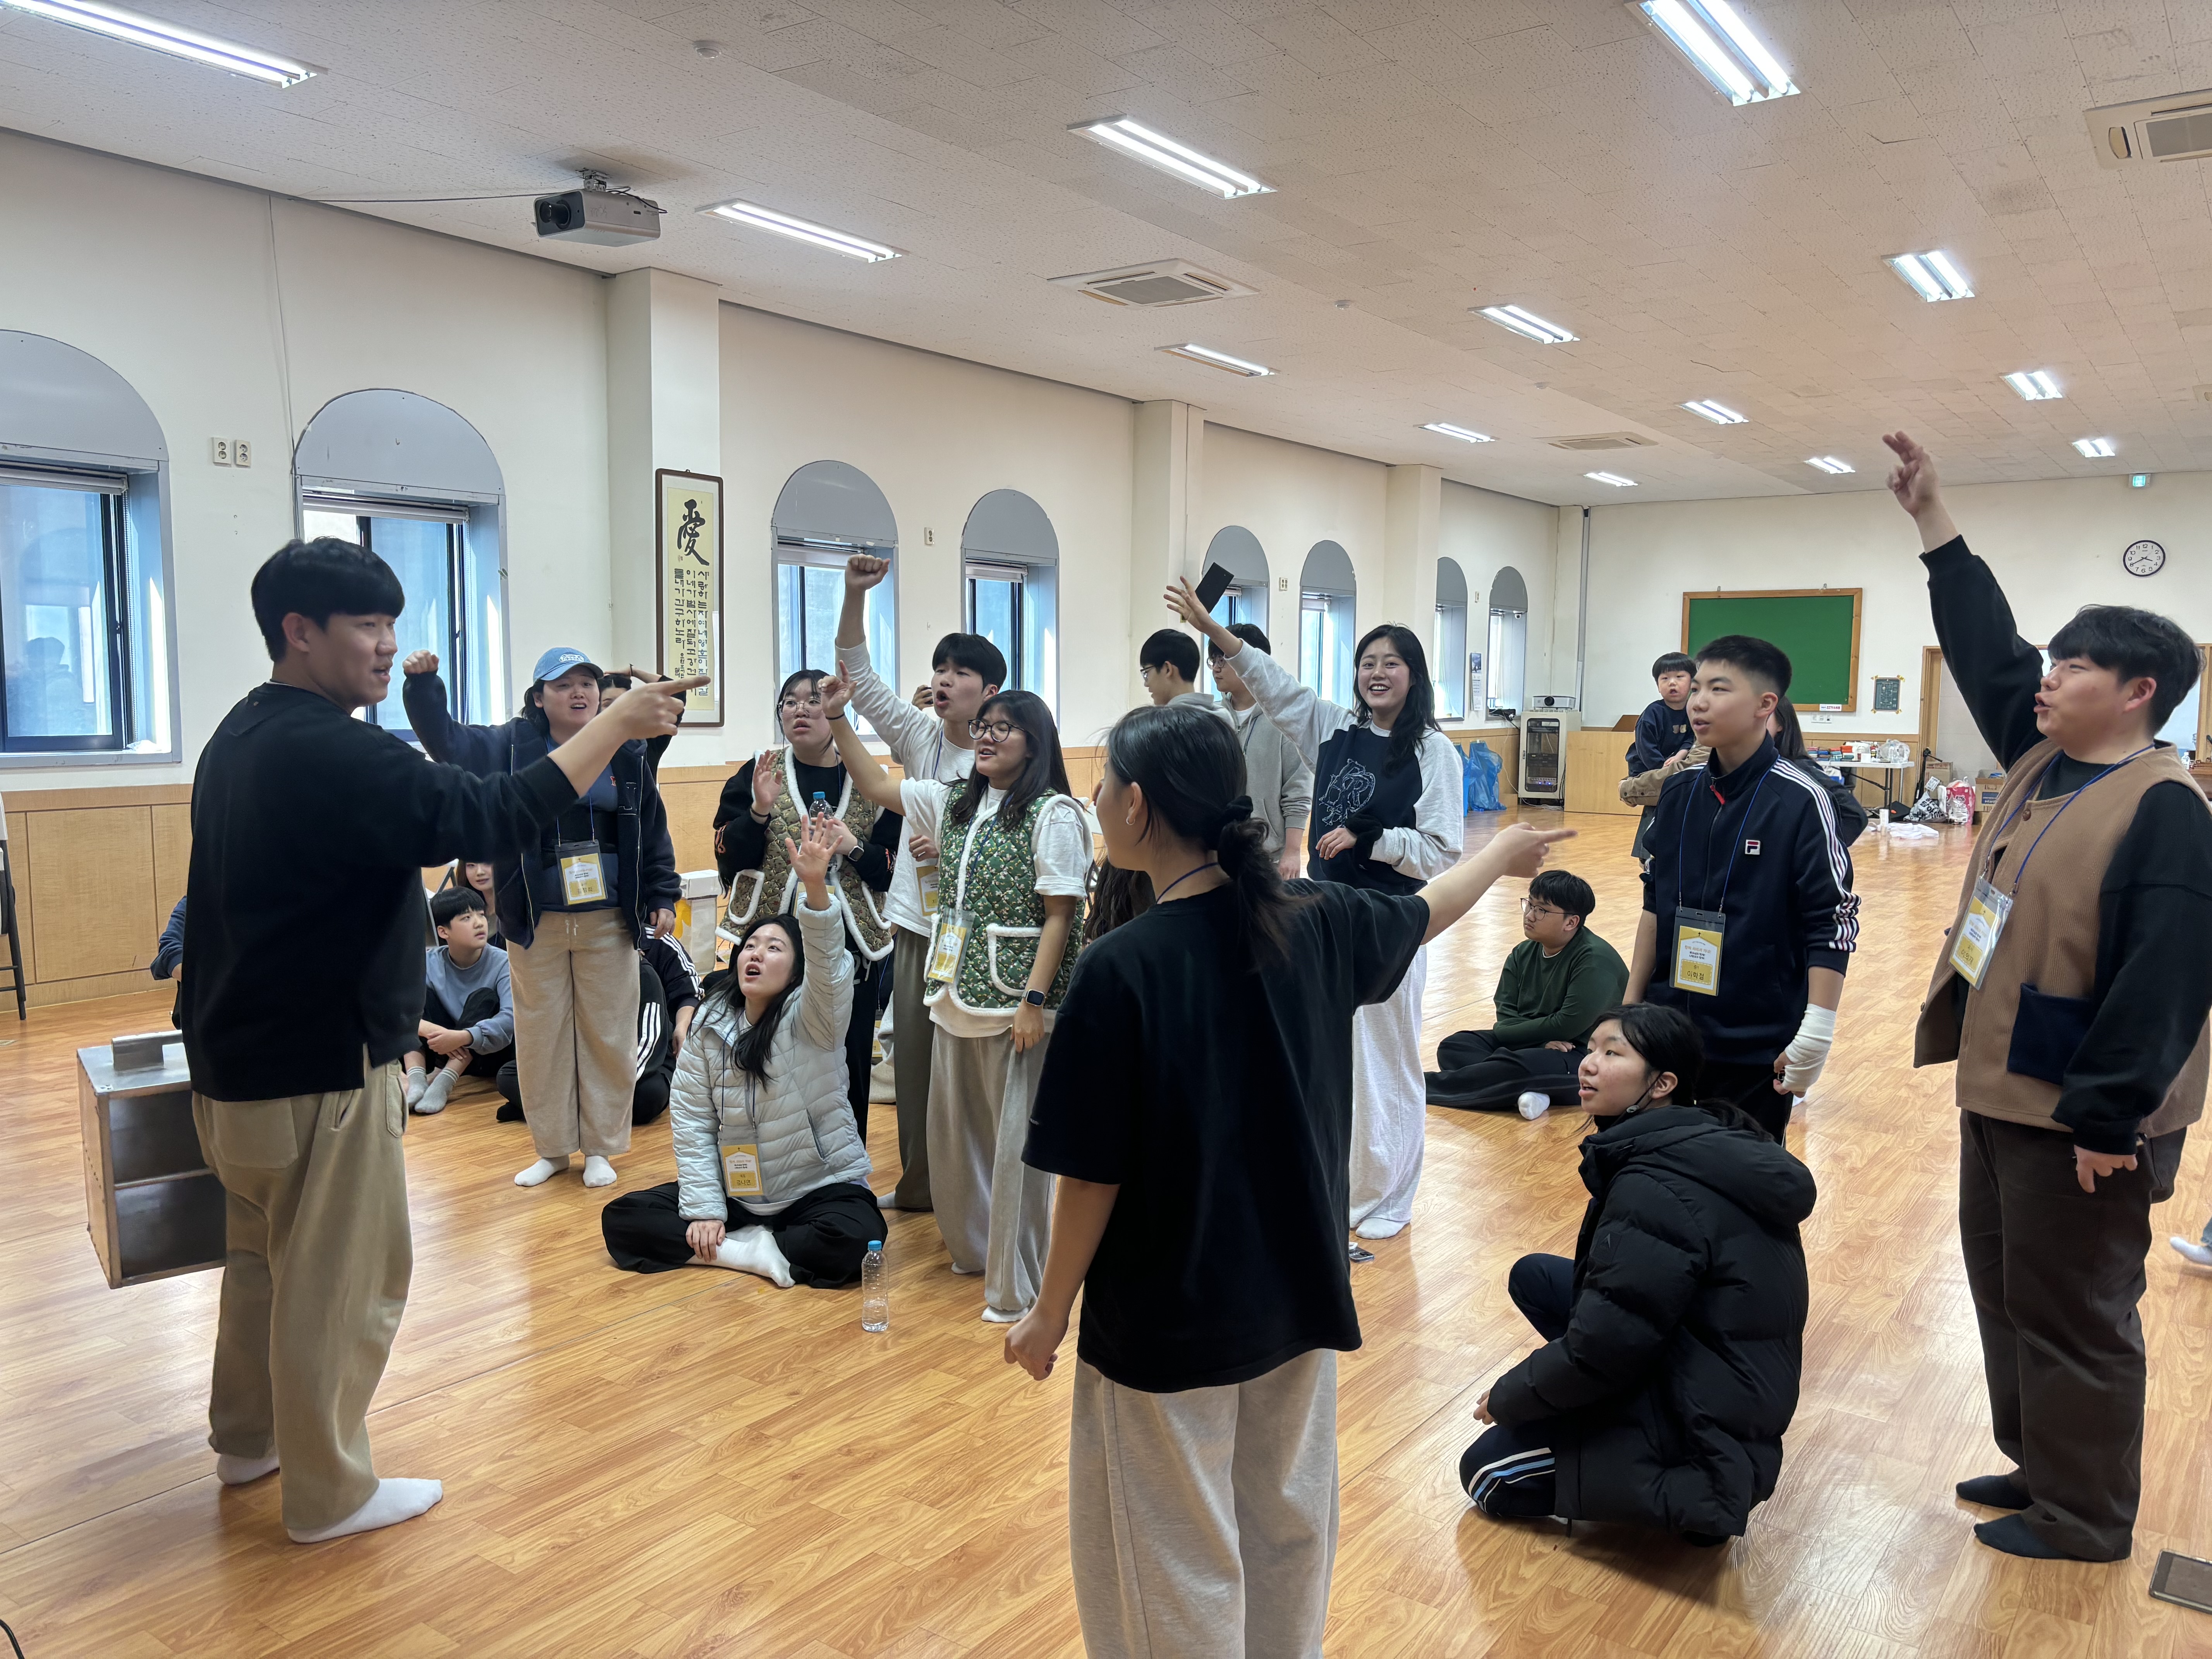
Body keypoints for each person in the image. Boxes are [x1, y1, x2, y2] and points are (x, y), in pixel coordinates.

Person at [1002, 701, 1573, 1657]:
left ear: (1136, 807)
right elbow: (1426, 913)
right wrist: (1504, 852)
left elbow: (1092, 1177)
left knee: (1171, 1554)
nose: (1094, 800)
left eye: (1103, 785)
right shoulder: (1316, 918)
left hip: (1168, 1315)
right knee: (1286, 1530)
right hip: (1299, 1291)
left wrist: (1049, 1311)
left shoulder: (1119, 969)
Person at [182, 535, 691, 1544]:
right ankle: (330, 1492)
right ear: (300, 631)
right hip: (318, 1065)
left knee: (262, 1262)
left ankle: (249, 1440)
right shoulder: (338, 750)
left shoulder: (240, 733)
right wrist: (621, 722)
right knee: (339, 1280)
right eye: (366, 625)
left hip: (234, 1063)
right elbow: (493, 811)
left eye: (392, 625)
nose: (385, 645)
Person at [1885, 429, 2212, 1563]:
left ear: (2138, 692)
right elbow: (1988, 643)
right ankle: (2041, 1464)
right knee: (2007, 1292)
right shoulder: (2040, 761)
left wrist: (2107, 1120)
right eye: (2051, 663)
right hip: (2003, 1089)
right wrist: (1934, 521)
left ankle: (2085, 1515)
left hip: (2082, 1120)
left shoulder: (2165, 807)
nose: (2046, 678)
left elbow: (2165, 981)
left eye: (2071, 667)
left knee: (2076, 1310)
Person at [1168, 580, 1464, 1242]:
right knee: (1332, 1054)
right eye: (1367, 662)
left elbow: (1443, 851)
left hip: (1392, 922)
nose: (1377, 673)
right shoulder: (1333, 729)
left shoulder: (1432, 751)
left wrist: (1374, 840)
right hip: (1328, 916)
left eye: (1391, 662)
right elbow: (1271, 683)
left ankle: (1388, 1193)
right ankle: (1343, 1181)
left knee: (1385, 1060)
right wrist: (1214, 630)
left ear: (1414, 676)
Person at [1459, 1005, 1814, 1546]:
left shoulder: (1654, 1184)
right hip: (1726, 1379)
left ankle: (1687, 1500)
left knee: (1486, 1474)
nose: (1588, 1064)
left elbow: (1606, 1344)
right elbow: (1627, 1309)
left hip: (1703, 1435)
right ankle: (1613, 1418)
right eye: (1591, 1049)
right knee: (1535, 1277)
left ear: (1663, 1084)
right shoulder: (1702, 1137)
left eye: (1612, 1054)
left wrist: (1510, 1397)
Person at [820, 668, 1089, 1322]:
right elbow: (876, 784)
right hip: (955, 993)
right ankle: (974, 1251)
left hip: (1015, 1006)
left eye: (1003, 729)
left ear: (1035, 742)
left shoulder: (1054, 813)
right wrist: (837, 719)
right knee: (955, 1140)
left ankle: (1018, 1284)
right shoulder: (958, 802)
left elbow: (1062, 914)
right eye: (983, 728)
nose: (986, 738)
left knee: (1016, 1151)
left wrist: (1033, 1001)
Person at [405, 646, 680, 1190]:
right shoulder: (509, 745)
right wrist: (425, 688)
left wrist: (663, 893)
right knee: (541, 1037)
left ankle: (600, 1148)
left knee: (607, 1034)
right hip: (535, 921)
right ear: (538, 698)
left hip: (609, 918)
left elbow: (652, 826)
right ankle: (552, 1149)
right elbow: (448, 743)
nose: (579, 693)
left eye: (587, 683)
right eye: (563, 685)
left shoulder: (626, 750)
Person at [599, 815, 883, 1287]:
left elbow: (830, 965)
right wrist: (707, 1209)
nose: (756, 954)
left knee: (859, 1238)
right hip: (740, 1192)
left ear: (797, 971)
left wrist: (816, 888)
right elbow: (692, 1120)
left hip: (816, 1187)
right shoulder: (710, 1022)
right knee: (624, 1219)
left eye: (774, 949)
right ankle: (748, 1252)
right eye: (751, 946)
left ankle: (750, 1245)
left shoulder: (817, 1015)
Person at [1624, 633, 1858, 1143]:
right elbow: (1654, 903)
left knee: (1739, 1178)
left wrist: (1817, 1030)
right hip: (1668, 1030)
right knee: (1659, 1168)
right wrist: (1630, 1007)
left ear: (1765, 705)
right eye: (1697, 688)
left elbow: (1832, 921)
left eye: (1719, 689)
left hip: (1754, 1042)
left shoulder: (1801, 799)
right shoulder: (1679, 791)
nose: (1698, 701)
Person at [833, 553, 1006, 1214]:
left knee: (969, 1067)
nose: (943, 680)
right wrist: (854, 594)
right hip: (916, 922)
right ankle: (920, 1185)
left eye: (959, 673)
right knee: (913, 1060)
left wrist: (956, 844)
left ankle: (975, 1191)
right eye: (939, 669)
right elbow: (856, 671)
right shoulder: (918, 734)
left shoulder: (1008, 753)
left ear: (990, 690)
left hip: (976, 931)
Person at [711, 669, 902, 1143]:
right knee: (766, 1054)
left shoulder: (869, 778)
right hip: (770, 939)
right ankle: (770, 1162)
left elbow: (893, 869)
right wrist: (758, 811)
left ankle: (847, 1163)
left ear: (836, 709)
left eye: (814, 700)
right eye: (790, 701)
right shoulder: (759, 771)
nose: (801, 709)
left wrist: (854, 847)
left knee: (848, 1057)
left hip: (851, 942)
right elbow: (728, 856)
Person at [1425, 870, 1628, 1114]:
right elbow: (1505, 1015)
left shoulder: (1595, 959)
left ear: (1571, 922)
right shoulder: (1522, 953)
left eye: (1542, 910)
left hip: (1583, 1055)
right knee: (1456, 1046)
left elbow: (1567, 1026)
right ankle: (1528, 1091)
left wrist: (1522, 1042)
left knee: (1523, 1066)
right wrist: (1540, 1043)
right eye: (1529, 904)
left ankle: (1421, 1087)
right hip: (1537, 1046)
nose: (1530, 915)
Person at [493, 929, 699, 1127]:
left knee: (648, 1095)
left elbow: (648, 1045)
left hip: (637, 1067)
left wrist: (596, 1088)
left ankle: (550, 1112)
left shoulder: (644, 974)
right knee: (508, 1075)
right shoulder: (577, 966)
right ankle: (570, 1113)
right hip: (586, 1071)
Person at [1209, 622, 1314, 881]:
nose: (1217, 668)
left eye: (1224, 659)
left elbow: (1297, 792)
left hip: (1268, 855)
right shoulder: (1212, 717)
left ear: (1253, 661)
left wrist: (1292, 852)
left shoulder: (1285, 719)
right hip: (1214, 852)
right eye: (1214, 660)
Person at [404, 886, 512, 1116]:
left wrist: (463, 1037)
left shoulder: (503, 962)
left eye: (481, 915)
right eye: (466, 918)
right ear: (444, 932)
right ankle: (417, 1080)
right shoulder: (428, 961)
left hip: (485, 1054)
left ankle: (445, 1081)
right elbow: (398, 1010)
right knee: (416, 998)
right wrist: (439, 1033)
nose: (479, 923)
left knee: (484, 998)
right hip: (440, 1046)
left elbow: (511, 1019)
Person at [1622, 653, 1704, 861]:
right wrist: (1663, 772)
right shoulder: (1653, 713)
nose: (1672, 683)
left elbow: (1692, 737)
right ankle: (1647, 855)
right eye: (1665, 679)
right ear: (1658, 686)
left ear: (1693, 681)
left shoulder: (1694, 710)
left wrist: (1682, 754)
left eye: (1679, 677)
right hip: (1647, 768)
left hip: (1676, 766)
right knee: (1657, 804)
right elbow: (1646, 749)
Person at [1768, 700, 1870, 847]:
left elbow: (1853, 814)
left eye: (1765, 714)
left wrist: (1816, 849)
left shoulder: (1799, 768)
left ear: (1781, 724)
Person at [1139, 627, 1227, 718]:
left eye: (1147, 673)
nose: (1146, 684)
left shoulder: (1163, 722)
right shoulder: (1223, 716)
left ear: (1168, 669)